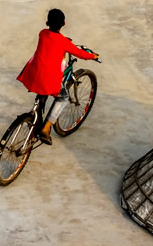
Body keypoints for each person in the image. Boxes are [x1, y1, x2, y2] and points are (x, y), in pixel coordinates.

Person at [16, 9, 97, 145]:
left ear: (47, 22)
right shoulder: (63, 42)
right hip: (48, 80)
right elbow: (80, 53)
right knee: (63, 97)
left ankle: (34, 117)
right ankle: (46, 128)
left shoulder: (42, 33)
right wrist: (93, 56)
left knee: (42, 89)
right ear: (63, 23)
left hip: (33, 74)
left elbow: (53, 39)